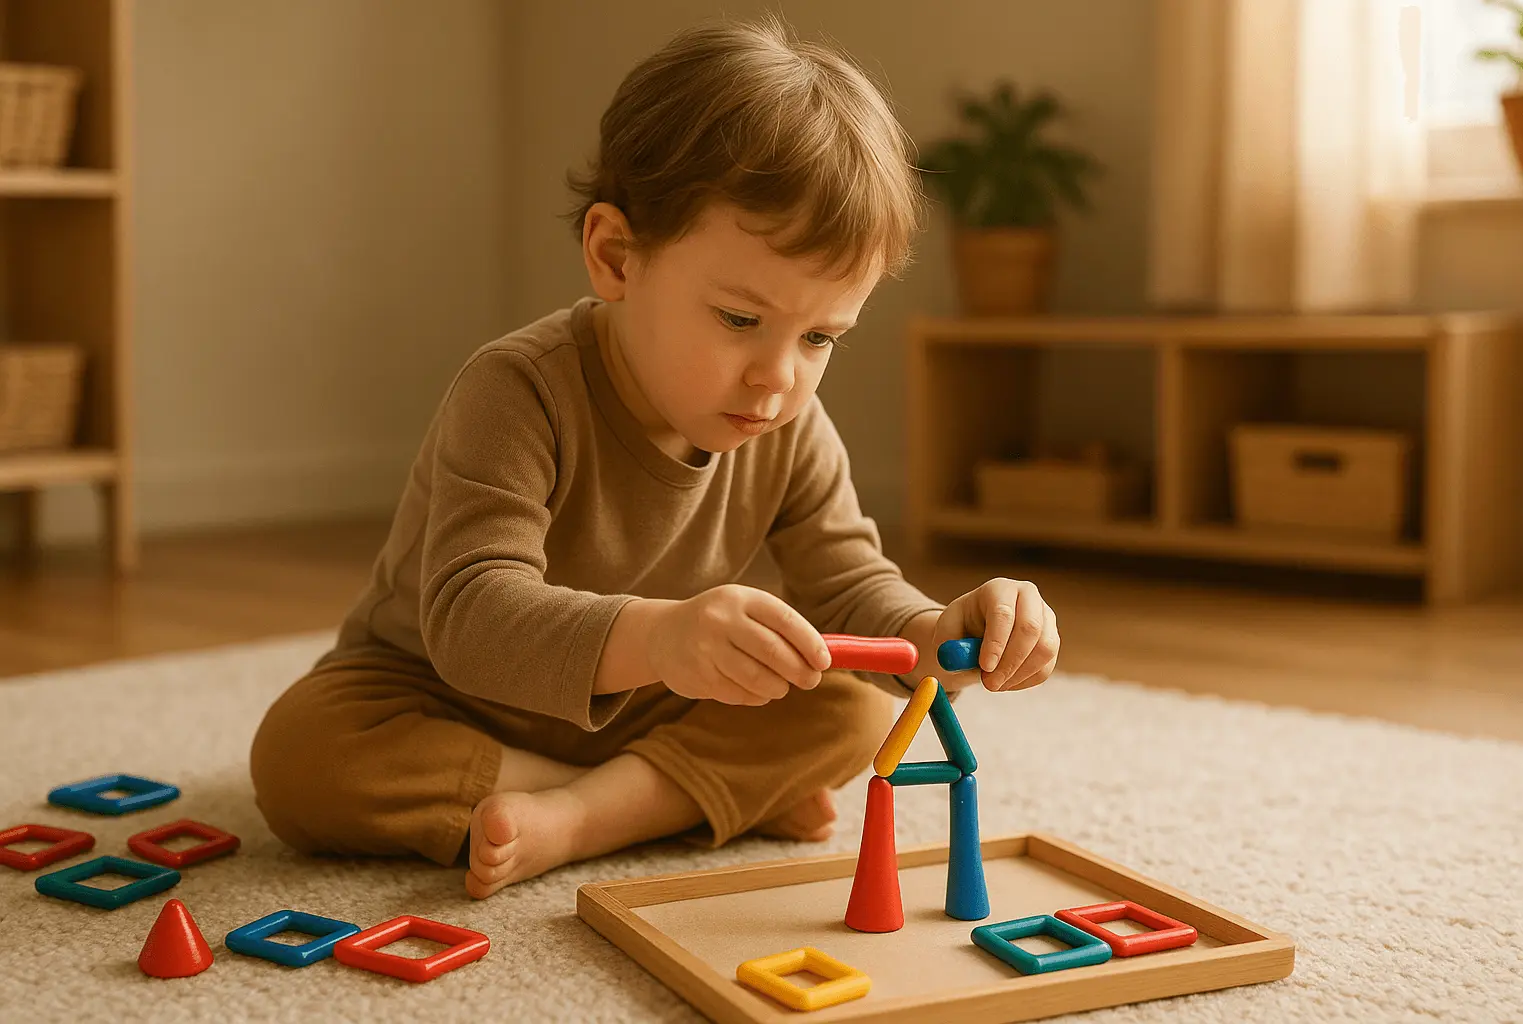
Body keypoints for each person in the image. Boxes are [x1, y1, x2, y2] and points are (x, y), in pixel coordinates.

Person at [250, 14, 1059, 900]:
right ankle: (668, 799)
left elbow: (850, 586)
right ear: (615, 256)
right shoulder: (517, 389)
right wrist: (663, 638)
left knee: (858, 711)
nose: (778, 377)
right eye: (741, 320)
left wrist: (942, 635)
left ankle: (592, 813)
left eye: (822, 336)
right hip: (444, 695)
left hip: (660, 700)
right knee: (300, 756)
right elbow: (472, 617)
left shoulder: (790, 423)